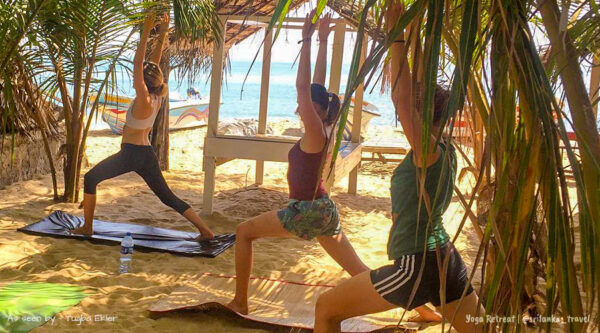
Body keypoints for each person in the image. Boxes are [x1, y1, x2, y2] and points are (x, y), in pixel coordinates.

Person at [312, 2, 485, 332]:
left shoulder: (428, 149)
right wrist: (411, 29)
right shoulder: (443, 148)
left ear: (421, 112)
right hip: (443, 258)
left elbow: (402, 99)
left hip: (416, 264)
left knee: (326, 309)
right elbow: (413, 87)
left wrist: (396, 34)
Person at [225, 10, 369, 315]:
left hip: (305, 210)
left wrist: (305, 39)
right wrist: (323, 40)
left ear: (314, 108)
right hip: (324, 209)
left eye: (305, 106)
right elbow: (317, 86)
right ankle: (418, 306)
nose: (300, 108)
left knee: (244, 232)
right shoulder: (326, 122)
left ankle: (240, 301)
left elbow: (305, 88)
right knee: (358, 269)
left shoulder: (316, 129)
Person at [72, 12, 214, 241]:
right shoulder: (156, 97)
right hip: (146, 154)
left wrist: (147, 30)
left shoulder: (144, 99)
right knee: (167, 196)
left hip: (131, 154)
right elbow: (152, 64)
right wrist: (163, 33)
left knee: (90, 178)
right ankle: (205, 231)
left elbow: (139, 63)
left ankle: (87, 227)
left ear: (143, 82)